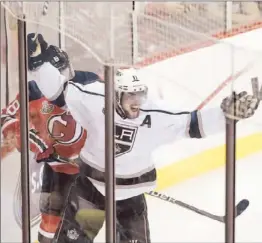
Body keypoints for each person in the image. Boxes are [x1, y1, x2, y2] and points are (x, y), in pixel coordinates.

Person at [27, 33, 260, 243]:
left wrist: (227, 115)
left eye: (141, 94)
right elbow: (58, 91)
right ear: (116, 95)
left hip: (130, 200)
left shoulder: (154, 116)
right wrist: (39, 65)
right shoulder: (94, 100)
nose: (137, 101)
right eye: (131, 96)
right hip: (91, 191)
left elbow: (193, 124)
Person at [1, 36, 100, 243]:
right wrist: (33, 140)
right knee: (48, 231)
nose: (67, 76)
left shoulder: (89, 82)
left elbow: (112, 121)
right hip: (58, 173)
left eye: (66, 69)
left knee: (80, 233)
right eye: (61, 72)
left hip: (91, 174)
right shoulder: (32, 92)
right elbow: (6, 118)